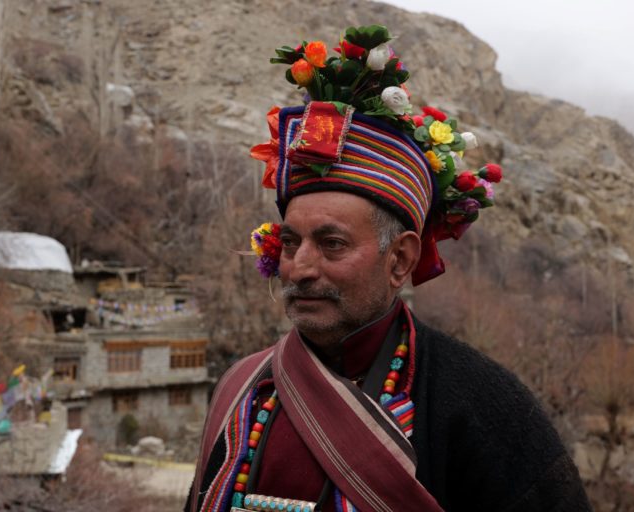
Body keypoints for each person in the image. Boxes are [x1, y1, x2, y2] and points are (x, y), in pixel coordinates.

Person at [187, 25, 591, 512]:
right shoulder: (240, 389)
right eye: (291, 242)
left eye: (331, 243)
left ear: (400, 259)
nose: (299, 268)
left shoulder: (485, 406)